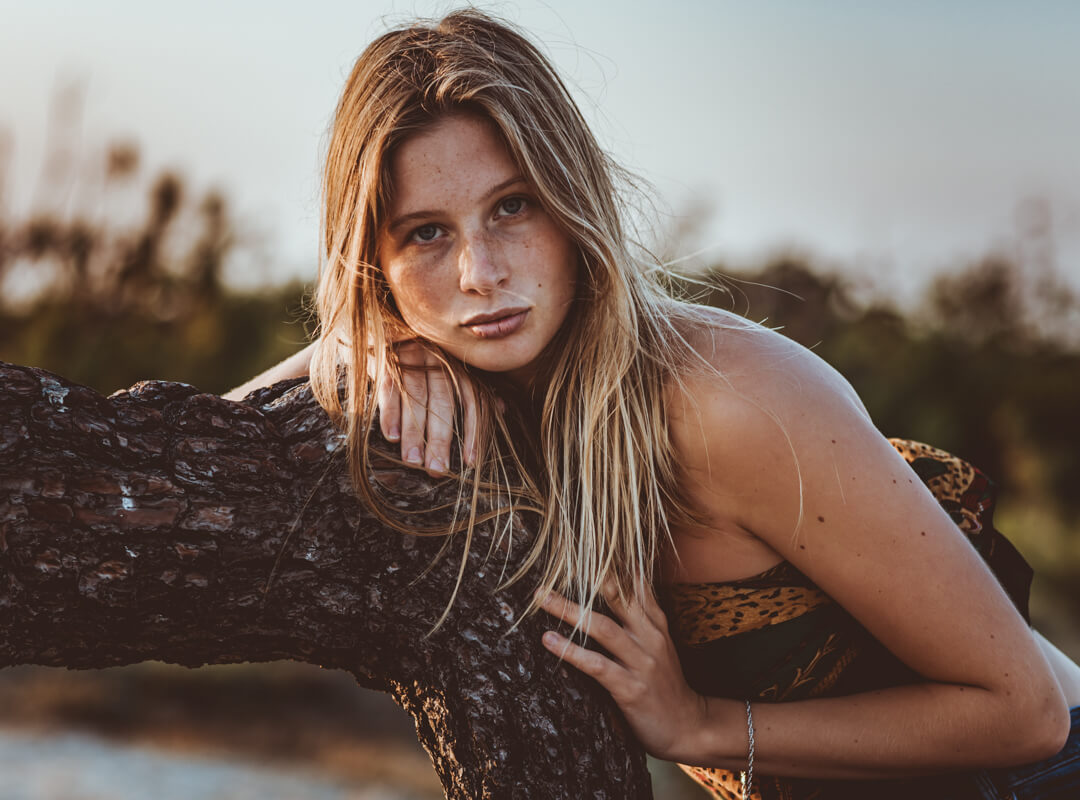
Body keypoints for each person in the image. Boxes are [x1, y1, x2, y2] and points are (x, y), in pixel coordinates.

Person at [227, 9, 1080, 799]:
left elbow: (1022, 712)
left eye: (512, 207)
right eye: (427, 232)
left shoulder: (723, 402)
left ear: (574, 204)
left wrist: (702, 728)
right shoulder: (455, 388)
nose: (480, 275)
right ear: (371, 261)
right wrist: (347, 347)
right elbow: (164, 465)